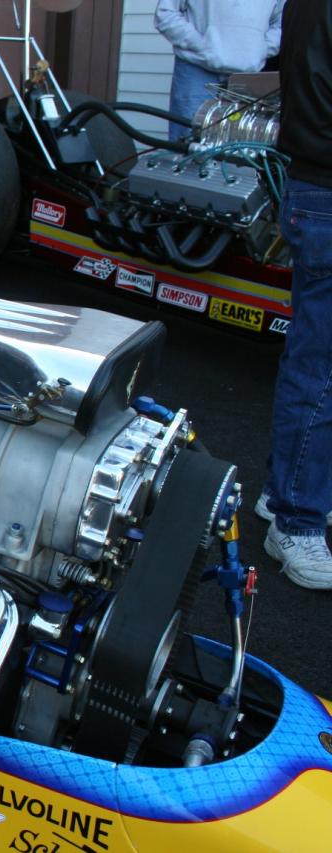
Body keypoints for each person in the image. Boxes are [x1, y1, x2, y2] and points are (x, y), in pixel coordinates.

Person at [257, 0, 332, 589]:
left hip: (314, 184)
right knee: (321, 369)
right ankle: (296, 519)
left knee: (313, 361)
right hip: (325, 187)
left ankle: (287, 491)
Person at [155, 0, 285, 137]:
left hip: (247, 76)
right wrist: (199, 45)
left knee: (239, 145)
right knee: (188, 142)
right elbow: (165, 13)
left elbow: (281, 22)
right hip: (196, 70)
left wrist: (261, 50)